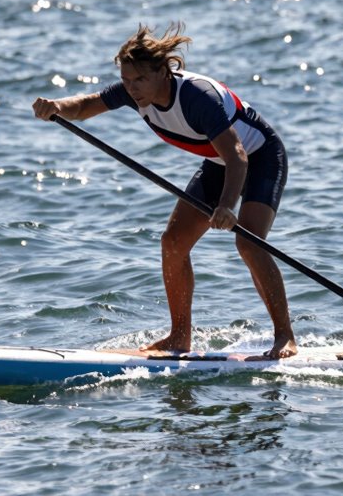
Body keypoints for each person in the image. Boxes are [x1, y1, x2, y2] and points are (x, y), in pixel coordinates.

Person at [31, 23, 297, 359]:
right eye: (127, 80)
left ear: (162, 71)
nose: (132, 88)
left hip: (258, 158)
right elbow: (85, 106)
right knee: (173, 243)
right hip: (218, 163)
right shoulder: (132, 92)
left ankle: (285, 336)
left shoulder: (198, 97)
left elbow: (238, 156)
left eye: (139, 80)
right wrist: (55, 106)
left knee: (248, 241)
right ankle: (179, 336)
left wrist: (229, 206)